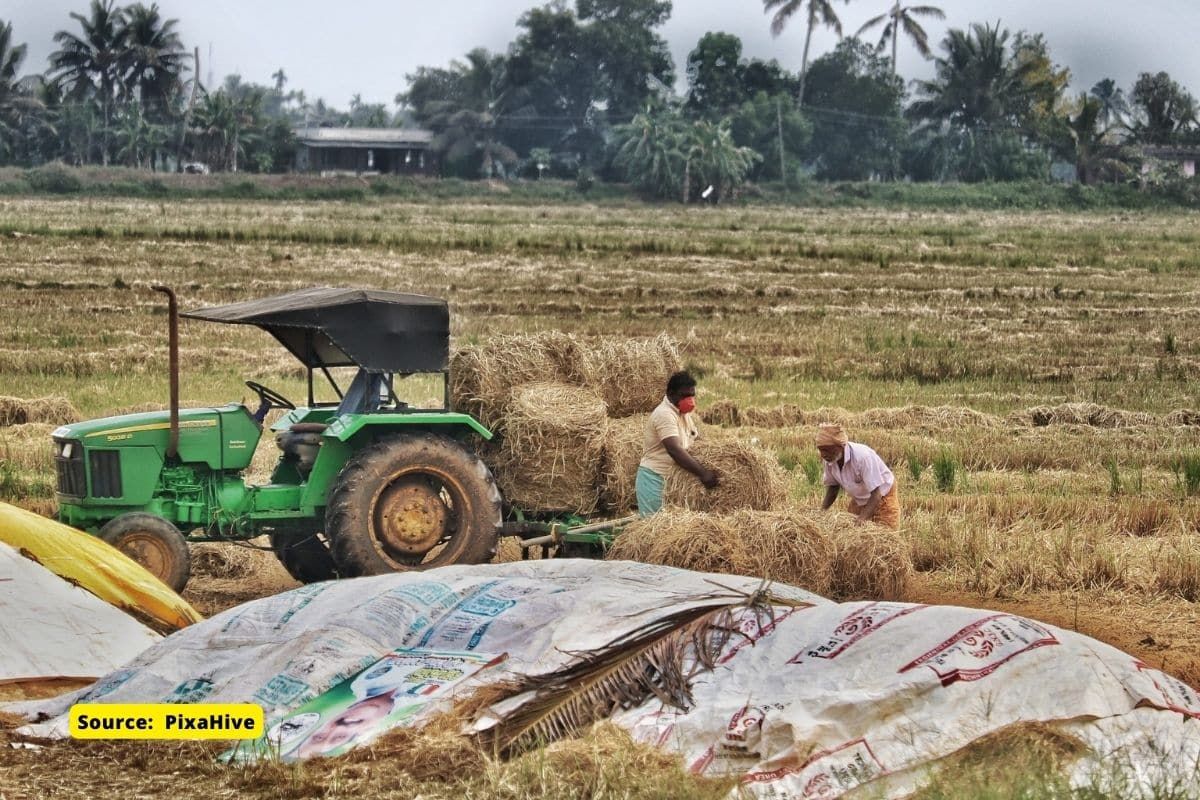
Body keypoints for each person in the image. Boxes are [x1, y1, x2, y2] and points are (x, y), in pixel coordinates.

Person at [636, 371, 718, 516]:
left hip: (672, 482)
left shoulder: (684, 414)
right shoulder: (664, 414)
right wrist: (703, 473)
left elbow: (696, 440)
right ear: (671, 393)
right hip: (655, 481)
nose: (690, 400)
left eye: (692, 395)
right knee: (656, 530)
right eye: (685, 395)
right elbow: (675, 450)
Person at [815, 423, 900, 528]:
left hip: (883, 495)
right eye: (821, 450)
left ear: (841, 446)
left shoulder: (863, 457)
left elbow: (876, 494)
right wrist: (821, 513)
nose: (823, 455)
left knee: (885, 533)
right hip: (860, 498)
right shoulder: (829, 460)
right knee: (851, 533)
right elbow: (833, 488)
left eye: (827, 450)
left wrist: (861, 519)